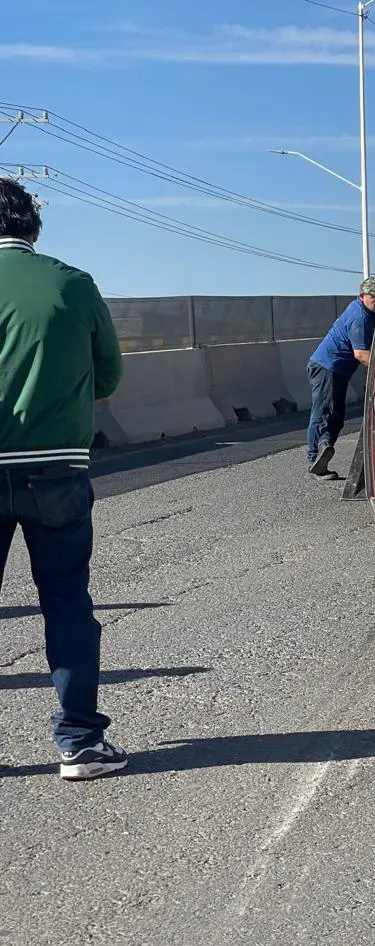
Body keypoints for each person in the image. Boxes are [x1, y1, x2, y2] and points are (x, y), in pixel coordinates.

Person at [0, 177, 126, 780]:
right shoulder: (74, 283)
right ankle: (79, 742)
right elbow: (108, 378)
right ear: (33, 227)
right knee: (67, 603)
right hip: (55, 469)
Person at [306, 277, 375, 477]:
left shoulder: (370, 312)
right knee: (323, 412)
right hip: (327, 367)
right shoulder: (360, 317)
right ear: (362, 296)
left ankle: (324, 447)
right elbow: (361, 354)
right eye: (373, 297)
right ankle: (315, 457)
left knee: (337, 416)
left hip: (338, 370)